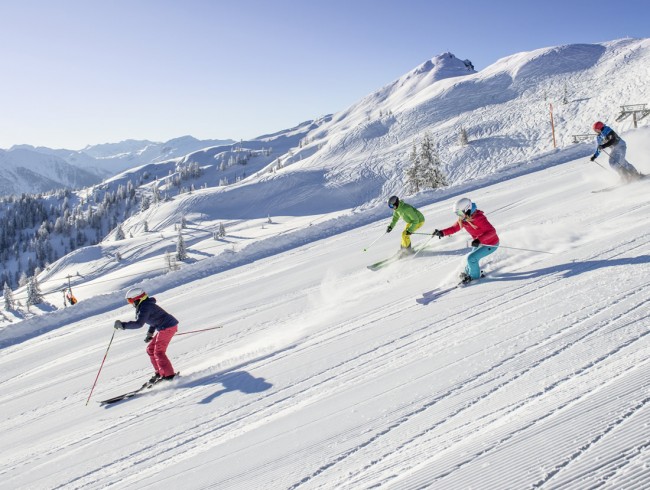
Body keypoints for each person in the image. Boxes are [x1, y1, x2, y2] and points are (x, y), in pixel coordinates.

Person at [114, 288, 179, 386]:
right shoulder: (144, 306)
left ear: (137, 298)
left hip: (168, 327)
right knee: (150, 349)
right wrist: (150, 333)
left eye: (130, 300)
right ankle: (160, 373)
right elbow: (154, 319)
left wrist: (123, 325)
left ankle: (169, 376)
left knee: (159, 352)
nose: (130, 303)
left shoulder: (145, 307)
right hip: (164, 327)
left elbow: (139, 324)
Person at [432, 197, 499, 284]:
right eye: (457, 213)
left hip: (491, 244)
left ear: (467, 209)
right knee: (470, 261)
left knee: (471, 258)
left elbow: (492, 231)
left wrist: (479, 240)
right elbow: (454, 228)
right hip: (479, 243)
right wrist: (442, 232)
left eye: (459, 212)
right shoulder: (464, 219)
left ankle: (474, 277)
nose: (459, 215)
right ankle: (469, 273)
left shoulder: (479, 218)